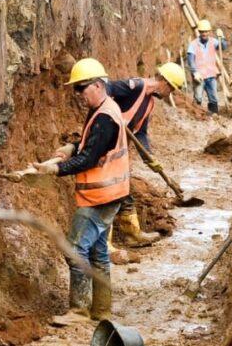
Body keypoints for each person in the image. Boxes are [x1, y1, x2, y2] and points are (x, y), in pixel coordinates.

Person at [32, 57, 129, 320]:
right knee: (98, 251)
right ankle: (101, 310)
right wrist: (70, 148)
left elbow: (90, 158)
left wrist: (57, 169)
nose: (78, 95)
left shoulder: (105, 117)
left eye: (81, 88)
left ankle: (79, 309)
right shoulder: (104, 109)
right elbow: (90, 145)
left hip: (101, 197)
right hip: (110, 194)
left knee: (75, 248)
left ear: (97, 85)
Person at [105, 62, 185, 247]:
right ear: (164, 82)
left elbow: (140, 133)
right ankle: (105, 244)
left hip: (119, 150)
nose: (169, 94)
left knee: (124, 189)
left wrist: (150, 158)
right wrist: (114, 114)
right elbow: (106, 89)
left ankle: (132, 233)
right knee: (108, 193)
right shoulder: (135, 86)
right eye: (171, 90)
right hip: (105, 144)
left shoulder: (149, 103)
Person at [186, 19, 226, 114]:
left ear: (209, 32)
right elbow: (190, 59)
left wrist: (222, 38)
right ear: (199, 32)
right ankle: (197, 114)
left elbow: (223, 47)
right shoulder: (193, 44)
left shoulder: (213, 41)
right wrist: (194, 71)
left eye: (206, 31)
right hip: (199, 75)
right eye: (202, 32)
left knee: (213, 97)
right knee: (198, 97)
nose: (204, 33)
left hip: (211, 75)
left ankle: (214, 115)